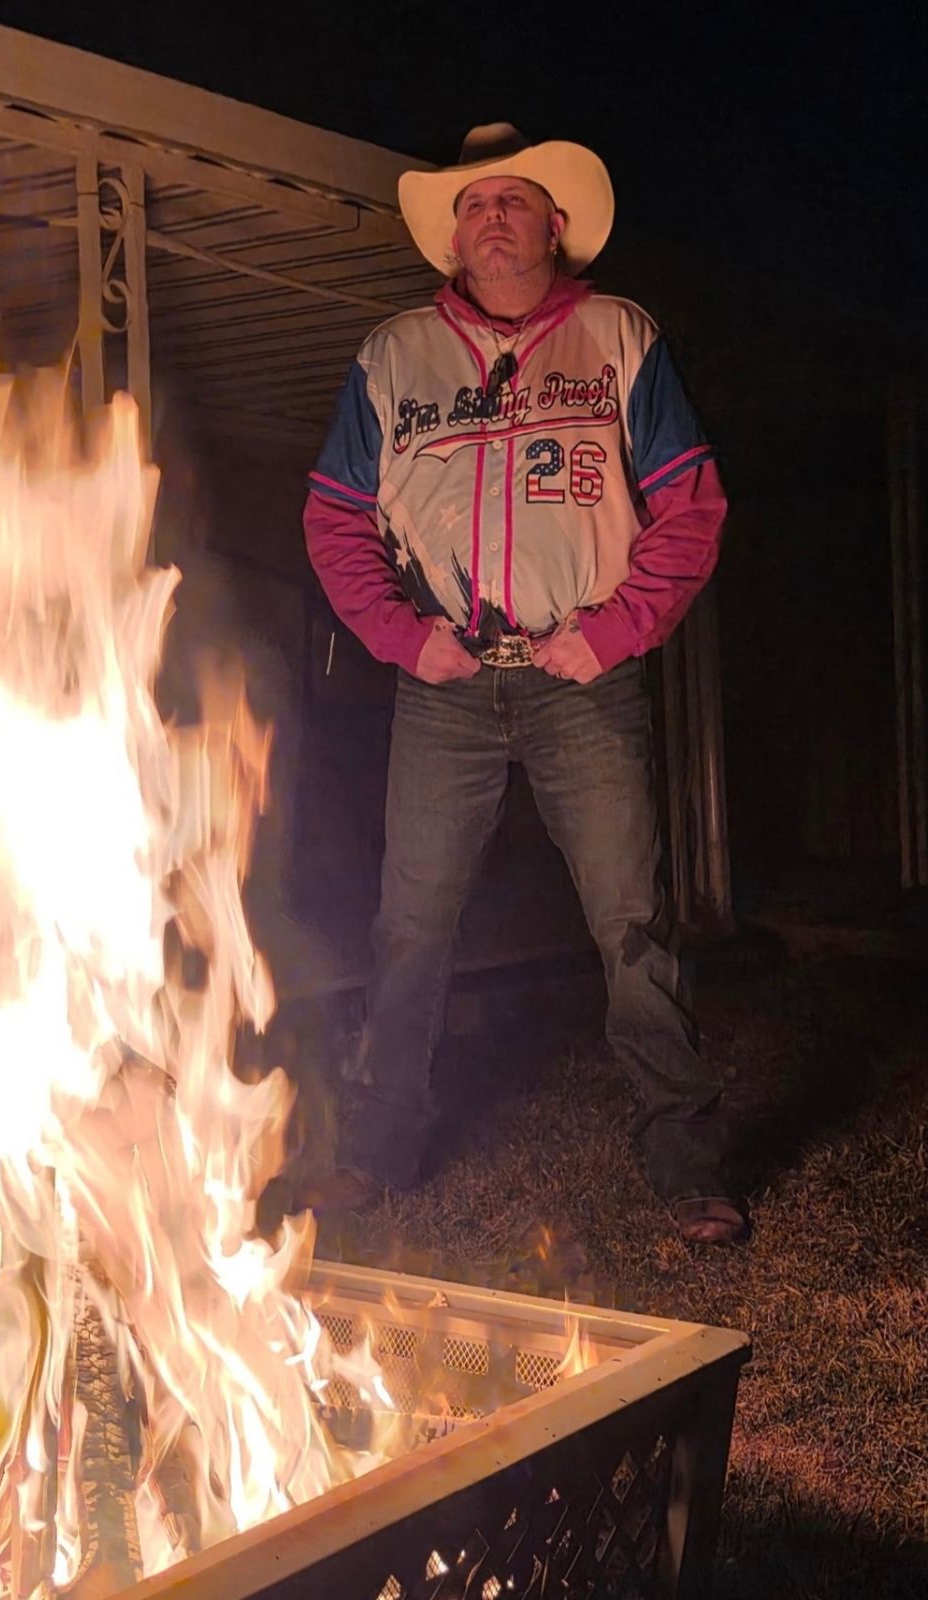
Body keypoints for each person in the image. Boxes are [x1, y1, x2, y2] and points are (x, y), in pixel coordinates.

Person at [302, 124, 746, 1244]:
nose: (492, 216)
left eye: (514, 200)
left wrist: (614, 631)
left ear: (554, 224)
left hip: (580, 674)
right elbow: (334, 519)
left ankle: (687, 1162)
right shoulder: (394, 355)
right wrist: (404, 639)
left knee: (630, 919)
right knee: (410, 922)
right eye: (474, 203)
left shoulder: (618, 338)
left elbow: (690, 507)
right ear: (452, 236)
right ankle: (375, 1150)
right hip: (445, 683)